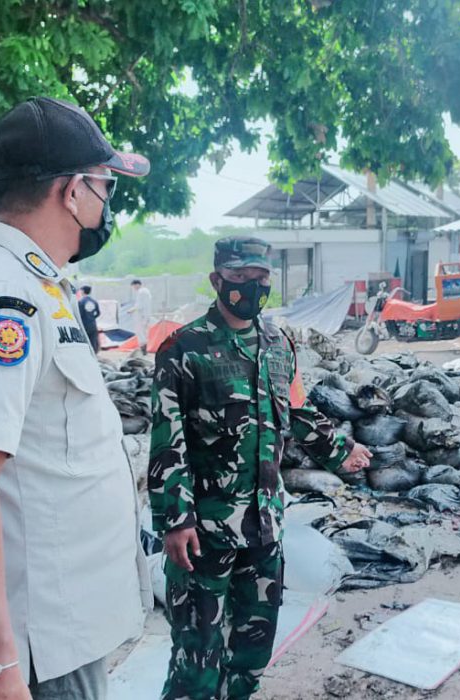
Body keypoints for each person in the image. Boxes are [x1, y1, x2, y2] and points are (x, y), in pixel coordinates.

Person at [0, 96, 151, 700]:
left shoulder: (37, 285)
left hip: (60, 629)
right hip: (35, 643)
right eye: (104, 186)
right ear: (72, 193)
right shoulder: (0, 299)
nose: (106, 203)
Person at [149, 236, 372, 700]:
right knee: (197, 657)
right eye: (241, 278)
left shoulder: (278, 342)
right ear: (217, 280)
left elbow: (297, 410)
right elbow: (166, 440)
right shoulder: (182, 349)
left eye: (261, 279)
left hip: (264, 527)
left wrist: (338, 450)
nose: (252, 288)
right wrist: (175, 519)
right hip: (204, 533)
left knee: (251, 650)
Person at [123, 279, 153, 353]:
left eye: (134, 286)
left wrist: (131, 310)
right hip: (146, 314)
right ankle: (144, 347)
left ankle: (143, 348)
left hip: (141, 315)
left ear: (137, 285)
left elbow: (139, 305)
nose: (134, 288)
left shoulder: (141, 292)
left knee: (140, 331)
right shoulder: (146, 291)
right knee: (144, 331)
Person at [77, 284, 101, 353]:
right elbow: (98, 313)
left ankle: (86, 354)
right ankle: (94, 354)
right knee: (93, 340)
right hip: (93, 324)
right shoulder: (94, 301)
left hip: (84, 324)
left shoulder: (81, 302)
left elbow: (80, 314)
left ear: (83, 291)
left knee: (85, 340)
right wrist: (92, 318)